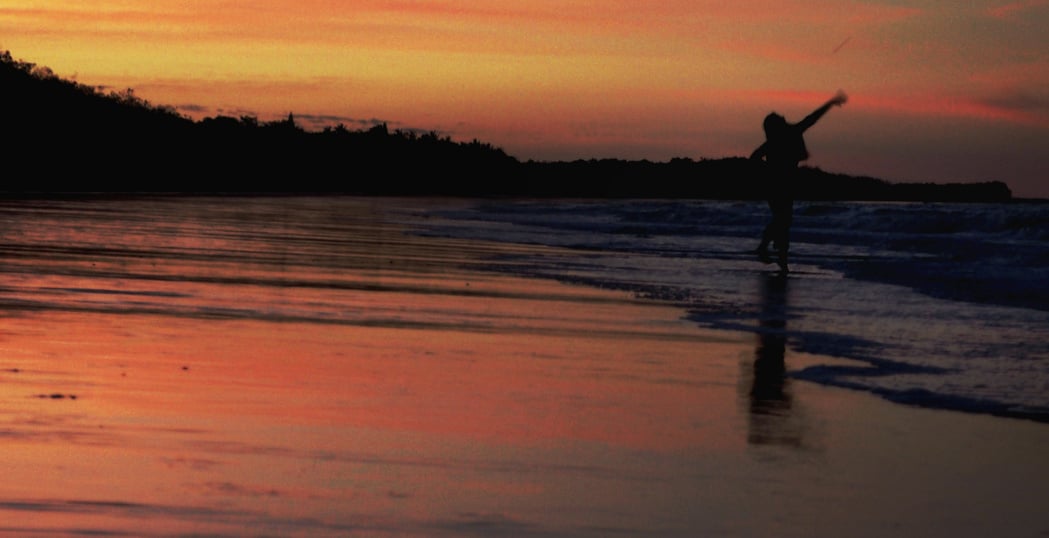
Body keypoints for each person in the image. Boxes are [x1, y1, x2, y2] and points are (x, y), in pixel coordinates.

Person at [750, 90, 848, 272]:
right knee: (783, 219)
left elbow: (754, 158)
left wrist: (766, 171)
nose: (784, 117)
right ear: (777, 126)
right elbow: (812, 118)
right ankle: (767, 249)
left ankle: (780, 258)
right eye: (780, 118)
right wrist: (831, 102)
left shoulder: (774, 141)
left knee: (784, 220)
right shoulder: (788, 134)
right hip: (779, 185)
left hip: (778, 185)